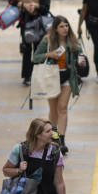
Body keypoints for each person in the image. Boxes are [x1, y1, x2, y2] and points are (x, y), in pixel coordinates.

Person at [32, 16, 84, 154]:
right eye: (61, 26)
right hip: (51, 78)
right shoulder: (47, 41)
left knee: (62, 108)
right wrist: (49, 54)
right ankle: (53, 137)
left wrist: (80, 63)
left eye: (66, 26)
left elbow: (80, 57)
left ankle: (61, 140)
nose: (65, 29)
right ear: (55, 28)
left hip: (67, 77)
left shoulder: (72, 41)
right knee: (53, 109)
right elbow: (35, 57)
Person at [16, 0, 52, 86]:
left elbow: (46, 7)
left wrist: (37, 6)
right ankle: (27, 76)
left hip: (39, 25)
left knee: (39, 50)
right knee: (26, 49)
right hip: (25, 24)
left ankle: (38, 75)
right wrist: (23, 5)